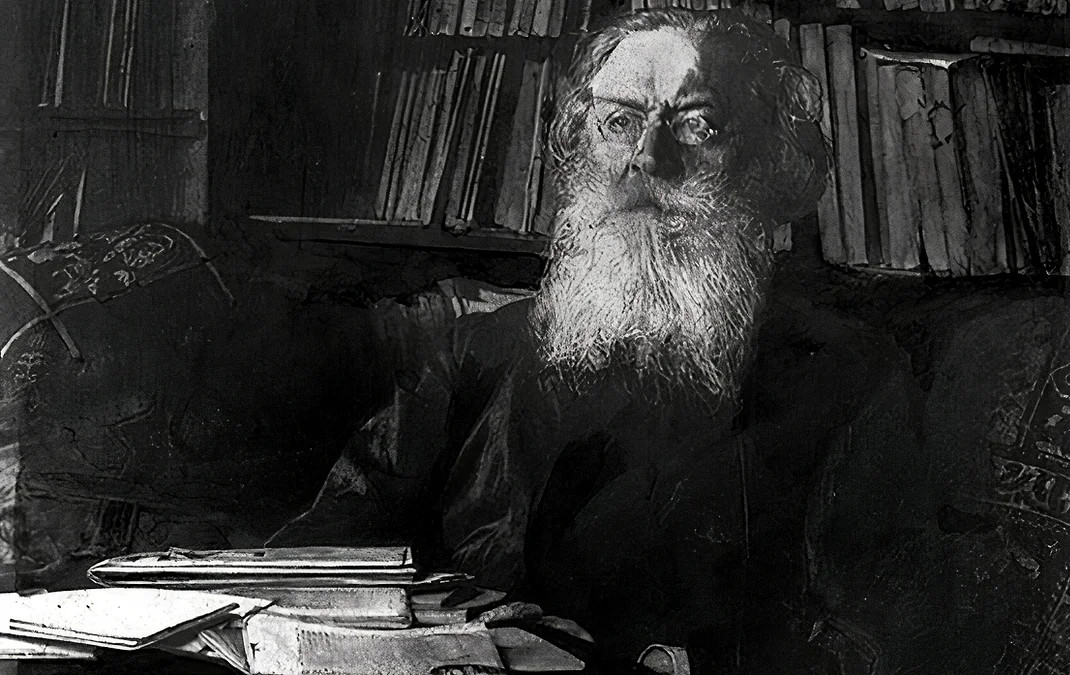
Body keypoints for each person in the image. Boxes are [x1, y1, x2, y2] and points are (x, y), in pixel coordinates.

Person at [270, 10, 939, 673]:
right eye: (619, 122)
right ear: (582, 145)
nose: (649, 159)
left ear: (761, 160)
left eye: (697, 125)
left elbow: (880, 631)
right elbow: (319, 557)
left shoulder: (851, 377)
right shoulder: (474, 354)